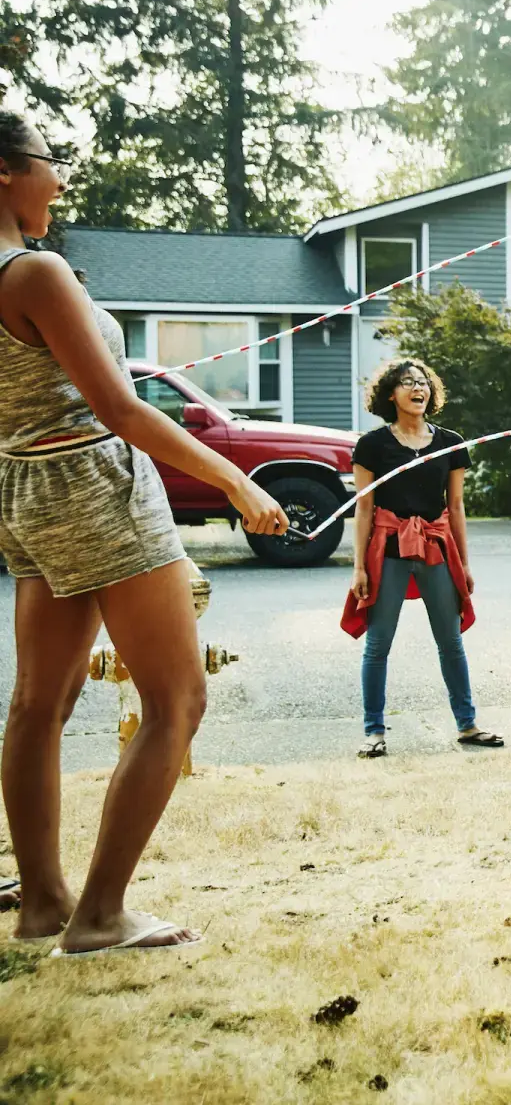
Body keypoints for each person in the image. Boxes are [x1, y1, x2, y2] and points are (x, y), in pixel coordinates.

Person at [0, 111, 287, 954]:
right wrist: (236, 479)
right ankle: (99, 917)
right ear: (7, 173)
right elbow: (119, 409)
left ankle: (43, 904)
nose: (60, 179)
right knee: (176, 699)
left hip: (24, 487)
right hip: (95, 484)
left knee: (36, 705)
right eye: (51, 163)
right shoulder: (35, 273)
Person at [342, 357, 503, 755]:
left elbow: (457, 505)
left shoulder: (450, 442)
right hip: (388, 550)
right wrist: (358, 566)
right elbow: (364, 508)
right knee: (378, 645)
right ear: (390, 394)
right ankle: (374, 731)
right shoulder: (372, 445)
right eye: (407, 382)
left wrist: (464, 564)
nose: (418, 388)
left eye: (424, 382)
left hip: (436, 548)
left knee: (451, 642)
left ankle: (467, 725)